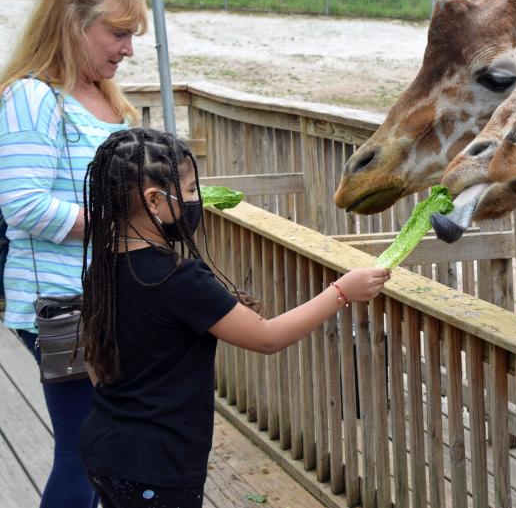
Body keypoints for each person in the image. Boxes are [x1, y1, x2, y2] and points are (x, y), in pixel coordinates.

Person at [78, 128, 390, 508]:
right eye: (190, 190)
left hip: (105, 447)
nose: (197, 200)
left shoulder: (103, 268)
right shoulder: (177, 278)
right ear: (155, 200)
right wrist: (341, 292)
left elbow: (95, 363)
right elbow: (266, 337)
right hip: (158, 465)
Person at [0, 0, 147, 508]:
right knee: (84, 455)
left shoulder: (106, 98)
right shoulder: (32, 98)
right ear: (72, 26)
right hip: (63, 306)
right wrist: (129, 225)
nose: (128, 50)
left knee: (106, 452)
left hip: (109, 300)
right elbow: (23, 205)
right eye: (117, 34)